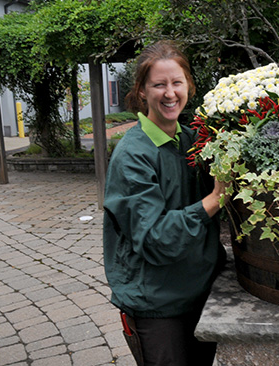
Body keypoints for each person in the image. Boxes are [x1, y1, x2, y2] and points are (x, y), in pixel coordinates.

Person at [103, 40, 228, 366]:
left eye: (176, 82)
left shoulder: (191, 140)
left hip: (199, 294)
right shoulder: (133, 155)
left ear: (189, 85)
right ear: (142, 91)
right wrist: (212, 201)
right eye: (159, 84)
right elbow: (154, 239)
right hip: (156, 306)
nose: (169, 93)